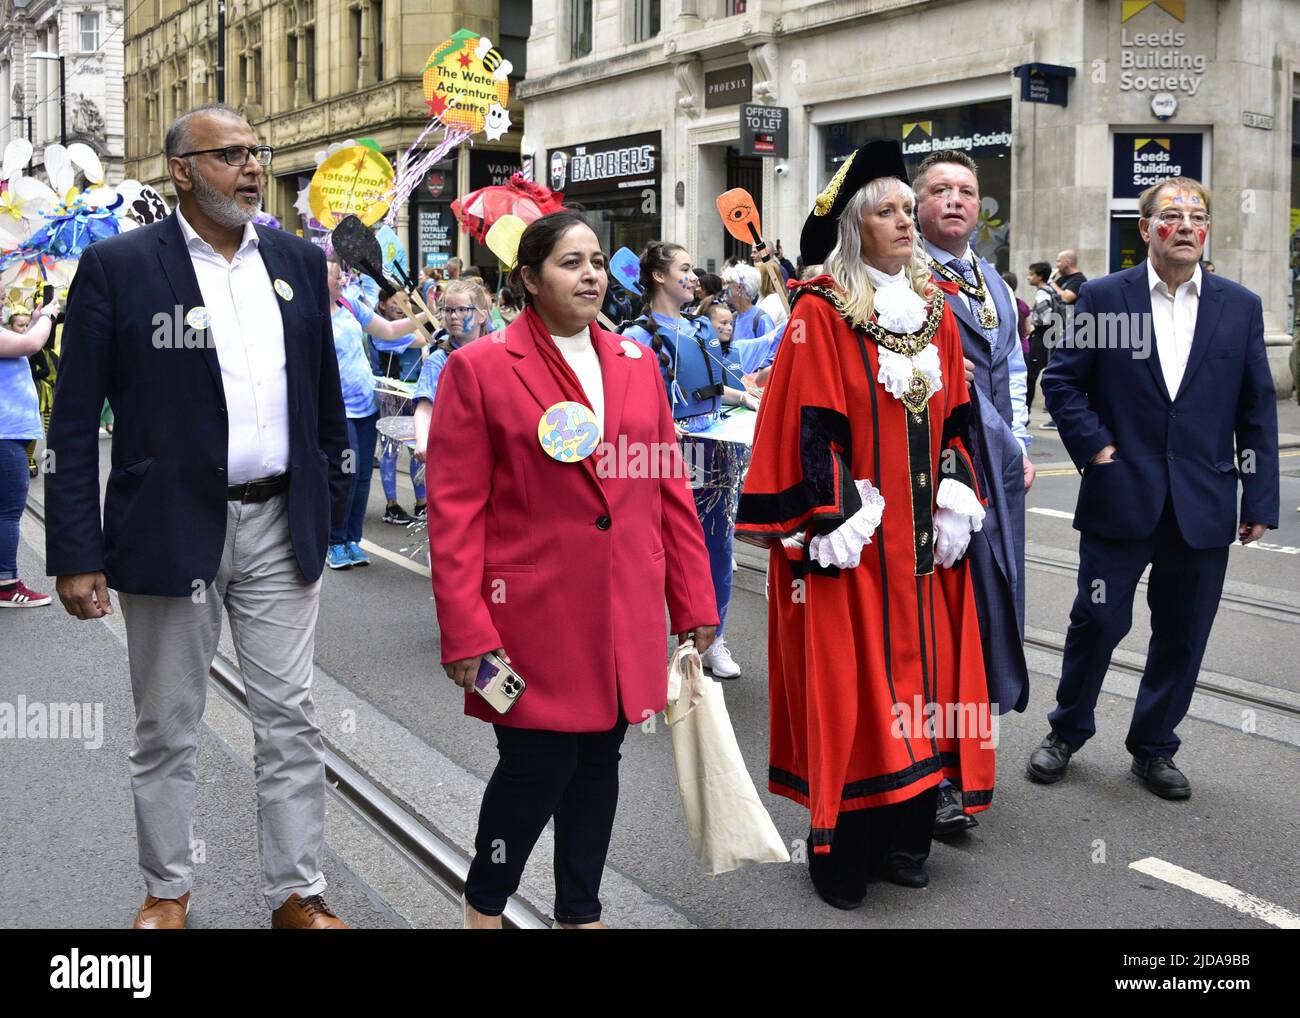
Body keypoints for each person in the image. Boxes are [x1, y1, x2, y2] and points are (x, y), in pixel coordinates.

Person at [45, 103, 352, 929]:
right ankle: (168, 889)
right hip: (168, 528)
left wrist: (332, 498)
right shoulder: (118, 268)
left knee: (291, 717)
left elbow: (321, 398)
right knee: (168, 722)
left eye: (258, 152)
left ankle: (296, 893)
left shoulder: (292, 259)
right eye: (230, 156)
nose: (252, 168)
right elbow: (73, 422)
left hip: (281, 526)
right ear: (181, 170)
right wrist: (76, 549)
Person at [427, 210, 717, 929]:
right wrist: (467, 632)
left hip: (621, 613)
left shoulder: (635, 361)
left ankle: (580, 913)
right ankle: (484, 903)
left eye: (595, 261)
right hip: (527, 621)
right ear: (529, 278)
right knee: (534, 768)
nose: (590, 274)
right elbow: (455, 512)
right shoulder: (481, 366)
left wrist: (693, 600)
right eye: (570, 263)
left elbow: (666, 487)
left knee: (598, 764)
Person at [736, 140, 993, 908]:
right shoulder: (820, 314)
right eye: (888, 211)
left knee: (925, 684)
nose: (907, 221)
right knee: (856, 689)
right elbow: (806, 427)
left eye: (908, 210)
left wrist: (954, 489)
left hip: (922, 545)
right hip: (854, 543)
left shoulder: (938, 314)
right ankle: (846, 847)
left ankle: (907, 839)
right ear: (856, 227)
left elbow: (956, 421)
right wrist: (833, 519)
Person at [1031, 176, 1279, 799]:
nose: (1187, 226)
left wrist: (1261, 497)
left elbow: (1256, 412)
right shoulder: (1105, 298)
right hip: (1121, 495)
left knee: (1183, 632)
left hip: (1204, 503)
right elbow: (1061, 383)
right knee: (1097, 619)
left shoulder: (1239, 306)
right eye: (1172, 215)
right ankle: (1067, 731)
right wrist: (1097, 448)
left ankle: (1154, 746)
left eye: (1198, 216)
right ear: (1146, 230)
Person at [915, 148, 1031, 835]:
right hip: (942, 477)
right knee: (940, 629)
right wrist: (997, 442)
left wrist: (1016, 440)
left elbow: (1012, 367)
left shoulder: (989, 280)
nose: (955, 200)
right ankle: (929, 774)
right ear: (918, 203)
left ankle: (962, 764)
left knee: (987, 622)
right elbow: (939, 382)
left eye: (966, 190)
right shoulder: (908, 281)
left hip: (997, 477)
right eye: (940, 190)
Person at [622, 242, 748, 679]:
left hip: (716, 448)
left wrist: (748, 397)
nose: (694, 277)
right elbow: (629, 403)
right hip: (666, 455)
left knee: (717, 543)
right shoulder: (635, 337)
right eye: (685, 268)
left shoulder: (699, 330)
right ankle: (643, 643)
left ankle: (711, 638)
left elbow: (713, 387)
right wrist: (665, 429)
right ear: (659, 276)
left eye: (694, 269)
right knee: (660, 550)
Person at [326, 259, 431, 569]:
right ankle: (334, 541)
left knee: (361, 478)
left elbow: (387, 330)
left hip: (365, 406)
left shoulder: (350, 305)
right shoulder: (310, 314)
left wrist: (425, 314)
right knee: (344, 475)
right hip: (337, 409)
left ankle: (352, 541)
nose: (342, 283)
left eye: (342, 278)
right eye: (335, 279)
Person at [0, 296, 60, 607]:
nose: (3, 302)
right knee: (7, 512)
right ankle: (6, 584)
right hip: (4, 434)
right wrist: (48, 316)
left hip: (9, 432)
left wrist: (37, 318)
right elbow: (31, 345)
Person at [411, 279, 493, 462]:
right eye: (448, 310)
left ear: (482, 316)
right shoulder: (438, 361)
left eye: (463, 310)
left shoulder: (497, 355)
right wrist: (422, 440)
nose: (454, 316)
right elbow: (425, 407)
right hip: (454, 454)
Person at [1025, 261, 1057, 409]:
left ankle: (1025, 411)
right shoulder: (1051, 291)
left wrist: (1032, 323)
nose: (1028, 277)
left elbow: (1045, 318)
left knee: (1030, 377)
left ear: (1040, 277)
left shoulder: (1042, 293)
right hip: (1049, 338)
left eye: (1031, 274)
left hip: (1041, 338)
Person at [722, 263, 775, 340]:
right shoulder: (734, 318)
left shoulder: (761, 319)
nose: (724, 288)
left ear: (739, 287)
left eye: (728, 284)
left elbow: (771, 348)